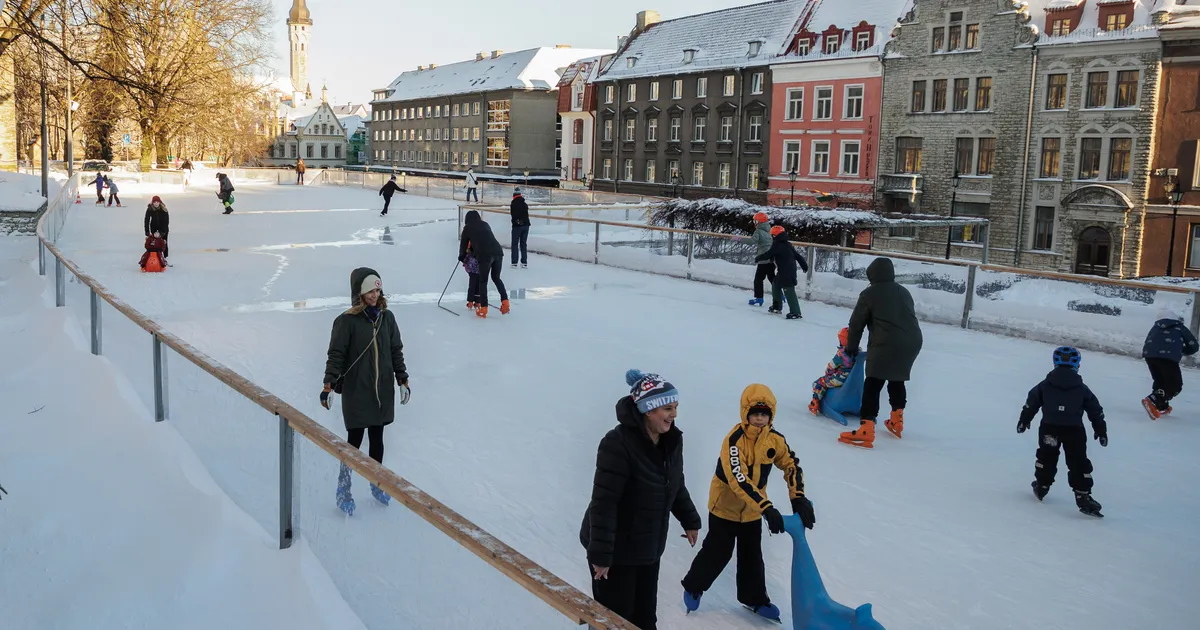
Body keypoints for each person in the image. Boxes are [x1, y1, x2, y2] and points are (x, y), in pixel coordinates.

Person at [681, 383, 813, 623]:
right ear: (746, 414)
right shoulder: (734, 441)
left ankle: (754, 598)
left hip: (752, 511)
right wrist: (767, 507)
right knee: (717, 551)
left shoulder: (775, 440)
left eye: (764, 414)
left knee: (752, 554)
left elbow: (791, 465)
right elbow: (738, 479)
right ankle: (694, 585)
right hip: (725, 507)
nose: (760, 419)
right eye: (755, 414)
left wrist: (799, 497)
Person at [580, 369, 702, 630]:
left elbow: (675, 482)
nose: (674, 414)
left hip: (647, 547)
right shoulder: (617, 444)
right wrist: (601, 555)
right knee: (613, 620)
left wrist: (689, 518)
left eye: (676, 407)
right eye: (668, 408)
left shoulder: (671, 441)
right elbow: (604, 502)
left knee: (645, 620)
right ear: (648, 410)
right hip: (616, 551)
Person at [321, 267, 410, 516]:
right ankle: (344, 488)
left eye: (377, 289)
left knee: (378, 440)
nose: (374, 294)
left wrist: (402, 378)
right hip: (357, 391)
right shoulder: (346, 322)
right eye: (370, 290)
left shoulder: (387, 317)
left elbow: (395, 350)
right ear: (359, 293)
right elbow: (336, 356)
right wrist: (328, 385)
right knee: (354, 443)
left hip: (381, 391)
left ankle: (376, 483)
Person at [839, 258, 923, 449]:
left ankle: (866, 428)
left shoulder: (869, 293)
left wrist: (851, 347)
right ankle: (897, 419)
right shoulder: (904, 291)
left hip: (887, 342)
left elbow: (856, 323)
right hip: (913, 341)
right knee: (896, 377)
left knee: (873, 382)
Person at [1018, 346, 1107, 517]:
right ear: (1077, 365)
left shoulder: (1045, 385)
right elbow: (1095, 409)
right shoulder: (1082, 388)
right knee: (1078, 461)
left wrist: (1024, 420)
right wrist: (1100, 429)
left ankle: (1042, 485)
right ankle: (1082, 495)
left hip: (1049, 428)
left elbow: (1031, 402)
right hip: (1074, 431)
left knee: (1046, 456)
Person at [1140, 307, 1198, 419]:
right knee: (1174, 384)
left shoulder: (1155, 327)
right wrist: (1183, 350)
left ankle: (1161, 406)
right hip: (1168, 357)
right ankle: (1154, 399)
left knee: (1161, 381)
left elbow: (1149, 342)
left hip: (1150, 356)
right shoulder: (1179, 327)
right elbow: (1194, 345)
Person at [458, 210, 509, 317]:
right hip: (498, 252)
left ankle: (483, 308)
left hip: (485, 255)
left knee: (483, 281)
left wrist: (462, 257)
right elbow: (484, 238)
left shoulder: (467, 228)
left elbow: (463, 245)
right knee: (496, 278)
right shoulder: (485, 224)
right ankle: (505, 302)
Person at [754, 226, 808, 320]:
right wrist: (804, 265)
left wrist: (758, 258)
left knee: (789, 290)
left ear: (775, 235)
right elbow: (797, 256)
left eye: (772, 235)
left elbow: (769, 254)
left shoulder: (778, 245)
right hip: (785, 271)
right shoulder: (787, 244)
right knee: (775, 285)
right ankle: (776, 307)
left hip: (786, 272)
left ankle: (795, 312)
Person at [808, 327, 859, 415]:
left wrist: (828, 374)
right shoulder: (858, 352)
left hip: (840, 379)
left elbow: (831, 367)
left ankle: (815, 402)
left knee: (821, 382)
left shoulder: (842, 354)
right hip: (854, 380)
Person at [746, 212, 775, 307]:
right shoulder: (769, 230)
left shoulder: (758, 231)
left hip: (763, 259)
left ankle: (759, 298)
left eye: (755, 221)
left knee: (758, 279)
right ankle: (780, 296)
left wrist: (737, 238)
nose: (754, 223)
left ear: (759, 222)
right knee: (772, 279)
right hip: (770, 259)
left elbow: (751, 241)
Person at [143, 195, 170, 264]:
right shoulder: (150, 209)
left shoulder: (164, 209)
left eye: (157, 202)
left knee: (163, 242)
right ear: (152, 202)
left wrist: (162, 232)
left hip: (163, 228)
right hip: (153, 227)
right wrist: (147, 231)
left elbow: (166, 221)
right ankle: (155, 257)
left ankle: (164, 257)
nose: (156, 204)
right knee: (154, 243)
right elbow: (147, 220)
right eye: (154, 202)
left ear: (159, 202)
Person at [510, 188, 530, 268]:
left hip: (517, 226)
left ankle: (514, 262)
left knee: (515, 244)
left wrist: (517, 222)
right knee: (523, 244)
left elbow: (514, 215)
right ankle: (524, 262)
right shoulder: (524, 203)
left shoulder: (514, 203)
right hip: (526, 225)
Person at [463, 242, 481, 309]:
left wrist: (464, 261)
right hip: (479, 269)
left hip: (473, 269)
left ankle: (471, 301)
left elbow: (466, 257)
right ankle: (477, 302)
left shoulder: (470, 251)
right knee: (478, 285)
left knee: (472, 285)